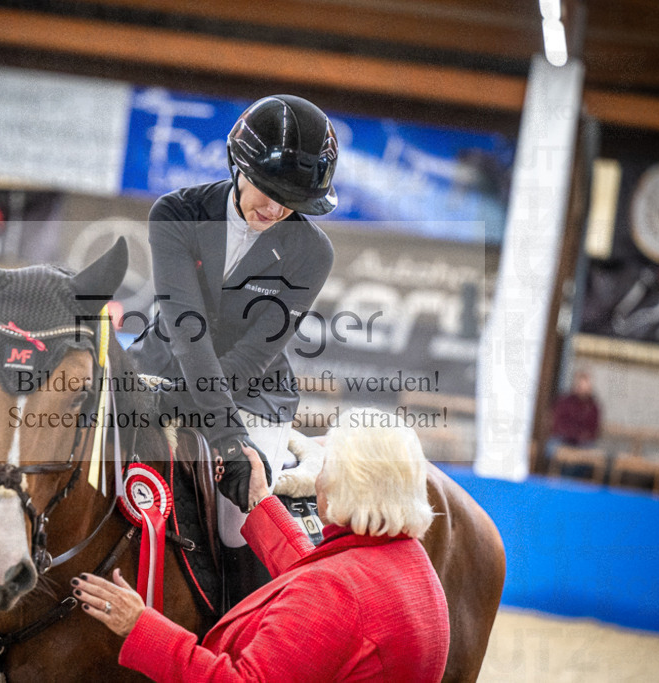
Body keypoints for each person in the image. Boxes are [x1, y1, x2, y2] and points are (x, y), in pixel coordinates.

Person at [127, 94, 337, 605]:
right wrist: (217, 430)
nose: (276, 208)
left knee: (237, 519)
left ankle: (239, 632)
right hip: (162, 373)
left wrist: (225, 437)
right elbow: (186, 328)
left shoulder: (312, 252)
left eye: (293, 202)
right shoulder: (176, 213)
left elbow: (253, 354)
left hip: (252, 394)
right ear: (238, 165)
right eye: (268, 189)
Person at [72, 408, 450, 682]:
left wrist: (142, 628)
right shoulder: (408, 562)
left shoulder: (335, 593)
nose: (318, 477)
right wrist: (258, 503)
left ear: (350, 485)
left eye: (328, 466)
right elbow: (322, 581)